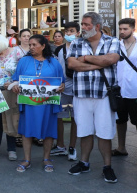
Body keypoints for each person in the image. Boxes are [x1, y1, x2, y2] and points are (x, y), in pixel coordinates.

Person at [67, 12, 121, 183]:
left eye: (86, 24)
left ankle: (107, 166)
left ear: (97, 26)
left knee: (105, 132)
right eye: (82, 24)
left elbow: (110, 60)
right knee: (84, 131)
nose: (83, 27)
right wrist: (97, 64)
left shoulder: (113, 41)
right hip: (81, 94)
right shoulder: (76, 42)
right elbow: (71, 64)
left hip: (104, 94)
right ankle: (84, 162)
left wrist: (85, 59)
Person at [11, 34, 65, 172]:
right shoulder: (24, 61)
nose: (31, 47)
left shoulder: (53, 62)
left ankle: (46, 158)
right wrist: (15, 86)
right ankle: (27, 159)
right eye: (30, 45)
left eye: (34, 45)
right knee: (27, 130)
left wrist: (62, 87)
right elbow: (16, 80)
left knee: (48, 130)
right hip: (29, 103)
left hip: (48, 103)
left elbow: (61, 81)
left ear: (43, 46)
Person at [50, 22, 80, 161]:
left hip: (78, 90)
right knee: (59, 117)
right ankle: (60, 145)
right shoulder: (59, 50)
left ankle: (72, 146)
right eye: (67, 31)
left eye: (72, 31)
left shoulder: (82, 47)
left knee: (76, 118)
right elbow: (56, 68)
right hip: (61, 89)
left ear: (78, 33)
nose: (69, 33)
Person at [113, 18, 137, 156]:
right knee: (120, 121)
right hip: (119, 90)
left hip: (135, 90)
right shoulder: (116, 45)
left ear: (133, 28)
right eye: (120, 29)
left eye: (125, 29)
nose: (122, 31)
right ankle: (121, 147)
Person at [5, 29, 31, 147]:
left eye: (28, 36)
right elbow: (9, 65)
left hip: (32, 82)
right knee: (18, 109)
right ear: (19, 38)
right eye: (24, 36)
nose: (26, 38)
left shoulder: (34, 48)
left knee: (31, 107)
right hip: (18, 81)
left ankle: (33, 134)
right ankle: (18, 134)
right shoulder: (15, 50)